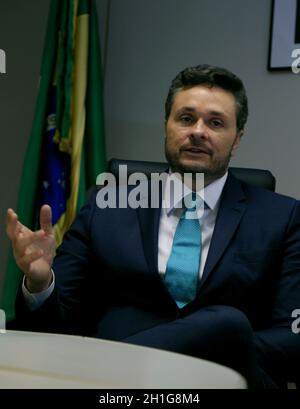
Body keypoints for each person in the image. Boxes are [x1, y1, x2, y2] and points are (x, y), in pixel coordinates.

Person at [6, 64, 300, 389]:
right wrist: (39, 281)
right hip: (126, 396)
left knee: (229, 324)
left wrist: (214, 349)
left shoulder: (282, 218)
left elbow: (292, 339)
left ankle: (104, 371)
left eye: (216, 123)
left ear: (237, 140)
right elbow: (55, 324)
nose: (199, 131)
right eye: (186, 118)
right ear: (166, 126)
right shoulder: (108, 206)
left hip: (222, 386)